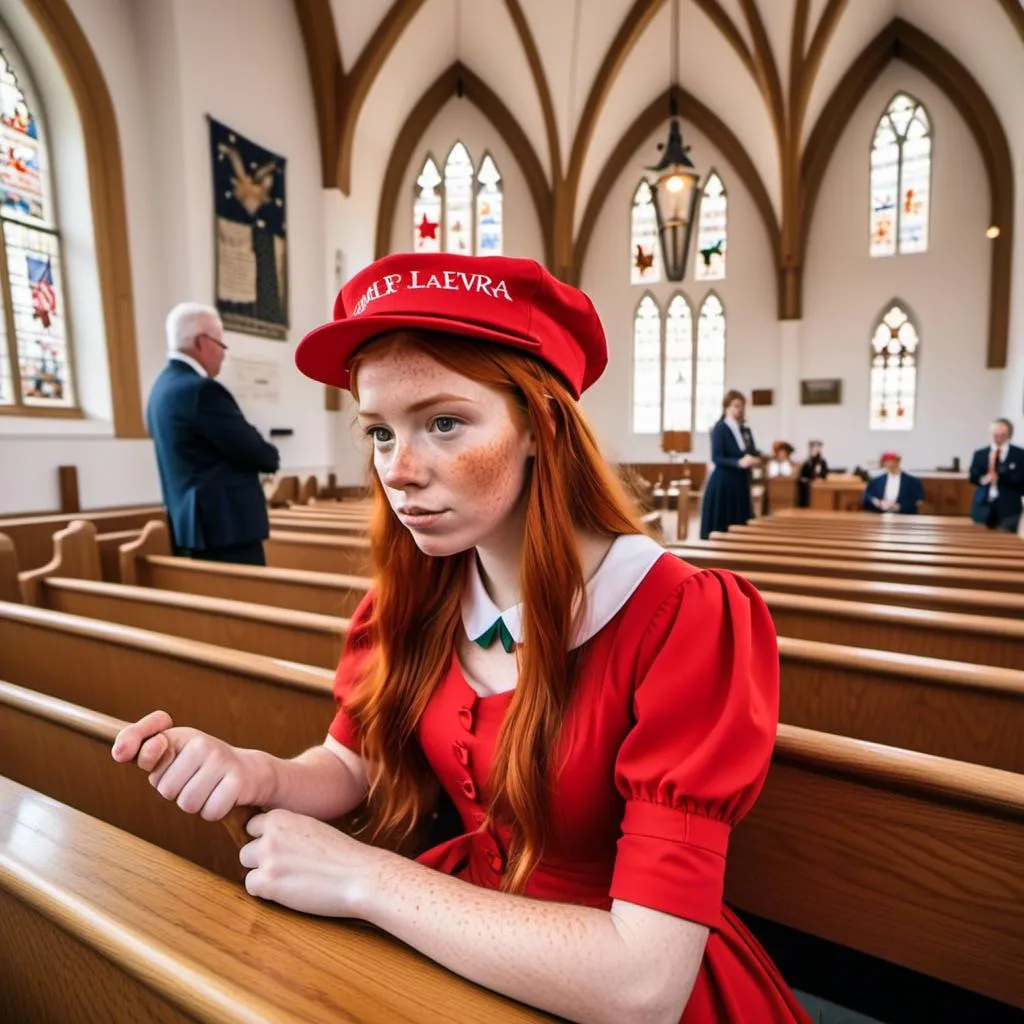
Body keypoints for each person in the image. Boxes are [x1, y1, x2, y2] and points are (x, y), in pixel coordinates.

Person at [113, 253, 809, 1024]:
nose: (399, 471)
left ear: (541, 425)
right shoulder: (412, 595)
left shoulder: (683, 616)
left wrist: (365, 879)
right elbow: (354, 761)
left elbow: (642, 984)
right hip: (449, 938)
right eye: (380, 433)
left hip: (606, 970)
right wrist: (257, 773)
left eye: (443, 423)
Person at [147, 302, 280, 565]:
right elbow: (261, 456)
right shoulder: (202, 391)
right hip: (225, 532)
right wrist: (262, 443)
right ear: (202, 342)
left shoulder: (160, 389)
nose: (223, 355)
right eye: (221, 345)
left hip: (188, 529)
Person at [699, 390, 762, 540]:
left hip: (740, 482)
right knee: (723, 525)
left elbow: (752, 450)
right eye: (736, 405)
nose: (740, 409)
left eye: (742, 406)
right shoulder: (720, 428)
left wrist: (755, 458)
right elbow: (717, 457)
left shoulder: (744, 429)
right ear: (727, 407)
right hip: (724, 483)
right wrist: (738, 462)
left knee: (739, 523)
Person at [968, 418, 1024, 533]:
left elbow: (1021, 479)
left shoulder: (1019, 454)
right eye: (995, 432)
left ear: (1009, 434)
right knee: (978, 540)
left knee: (1006, 543)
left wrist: (1001, 477)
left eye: (1002, 432)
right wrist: (985, 478)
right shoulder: (980, 454)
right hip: (983, 506)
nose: (998, 435)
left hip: (1008, 509)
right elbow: (973, 477)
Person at [797, 440, 828, 508]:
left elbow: (824, 474)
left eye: (816, 448)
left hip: (819, 486)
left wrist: (820, 479)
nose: (814, 450)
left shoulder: (822, 461)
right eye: (813, 448)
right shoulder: (807, 462)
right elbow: (802, 475)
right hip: (808, 486)